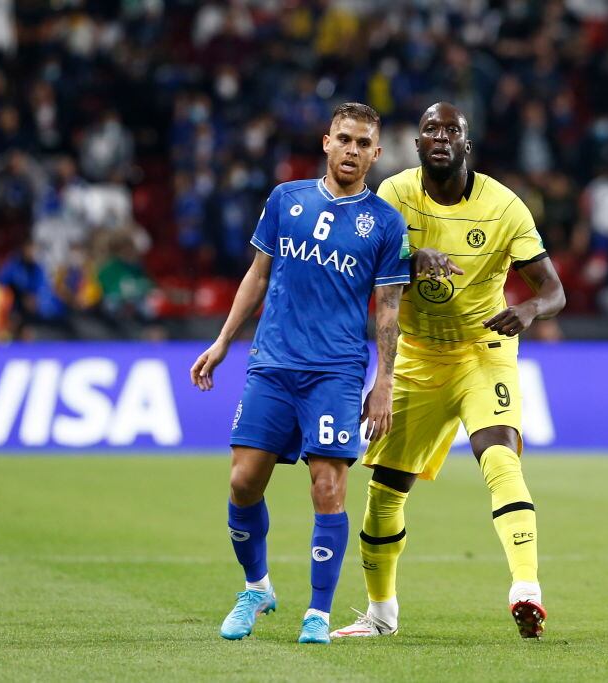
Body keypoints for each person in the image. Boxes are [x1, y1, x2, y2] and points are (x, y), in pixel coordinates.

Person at [331, 102, 566, 640]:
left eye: (451, 130)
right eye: (430, 129)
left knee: (500, 455)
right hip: (416, 354)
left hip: (484, 350)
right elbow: (362, 264)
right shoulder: (393, 195)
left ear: (467, 143)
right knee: (386, 492)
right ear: (417, 146)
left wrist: (527, 310)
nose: (440, 137)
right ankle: (381, 613)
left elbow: (553, 289)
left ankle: (526, 589)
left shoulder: (504, 206)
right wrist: (412, 261)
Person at [189, 103, 410, 644]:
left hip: (334, 372)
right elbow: (257, 275)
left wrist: (383, 383)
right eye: (345, 139)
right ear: (326, 142)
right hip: (272, 364)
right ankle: (257, 586)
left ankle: (318, 612)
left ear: (376, 154)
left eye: (363, 143)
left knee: (328, 486)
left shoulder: (385, 222)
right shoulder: (286, 200)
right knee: (243, 481)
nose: (353, 151)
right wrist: (222, 341)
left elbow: (387, 309)